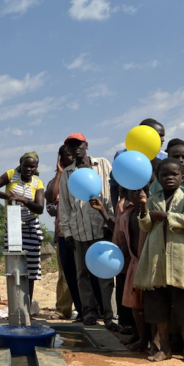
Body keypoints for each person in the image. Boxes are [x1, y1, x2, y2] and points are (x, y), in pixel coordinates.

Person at [134, 158, 184, 364]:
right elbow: (146, 226)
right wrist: (143, 209)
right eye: (164, 175)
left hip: (182, 259)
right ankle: (164, 348)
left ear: (182, 177)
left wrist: (166, 216)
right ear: (157, 178)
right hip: (156, 259)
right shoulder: (151, 199)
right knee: (158, 305)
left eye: (174, 174)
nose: (169, 178)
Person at [58, 134, 117, 329]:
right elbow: (65, 206)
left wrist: (111, 223)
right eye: (71, 146)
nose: (75, 148)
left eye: (78, 144)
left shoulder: (102, 164)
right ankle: (89, 313)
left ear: (86, 145)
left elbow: (111, 195)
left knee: (105, 275)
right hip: (79, 230)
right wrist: (67, 232)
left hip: (102, 228)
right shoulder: (67, 173)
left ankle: (111, 317)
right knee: (82, 274)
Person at [92, 188, 148, 351]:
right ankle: (138, 335)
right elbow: (117, 229)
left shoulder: (148, 208)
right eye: (132, 190)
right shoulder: (125, 209)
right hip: (128, 261)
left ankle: (146, 339)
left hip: (144, 261)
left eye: (140, 189)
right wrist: (102, 211)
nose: (137, 193)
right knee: (133, 303)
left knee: (145, 304)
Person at [0, 152, 45, 300]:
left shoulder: (37, 183)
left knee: (30, 271)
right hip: (13, 227)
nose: (28, 169)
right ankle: (14, 304)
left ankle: (26, 306)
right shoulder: (11, 174)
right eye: (26, 166)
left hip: (31, 228)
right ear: (21, 165)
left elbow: (39, 208)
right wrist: (8, 197)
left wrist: (22, 199)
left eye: (32, 167)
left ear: (36, 167)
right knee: (14, 268)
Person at [46, 145, 83, 320]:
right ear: (60, 159)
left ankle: (87, 309)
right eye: (67, 156)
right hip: (63, 232)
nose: (72, 158)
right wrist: (60, 172)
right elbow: (51, 196)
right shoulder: (57, 179)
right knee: (65, 273)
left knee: (83, 271)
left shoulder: (82, 175)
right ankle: (63, 309)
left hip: (83, 230)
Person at [111, 118, 167, 205]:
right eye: (158, 135)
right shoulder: (122, 156)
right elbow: (114, 185)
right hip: (129, 208)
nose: (162, 139)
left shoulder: (164, 157)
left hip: (155, 208)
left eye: (163, 135)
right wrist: (115, 210)